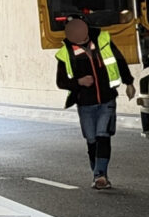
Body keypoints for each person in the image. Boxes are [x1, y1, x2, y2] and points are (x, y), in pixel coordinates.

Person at [55, 17, 135, 189]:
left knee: (103, 135)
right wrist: (79, 82)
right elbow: (61, 82)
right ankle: (98, 174)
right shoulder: (65, 53)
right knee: (92, 140)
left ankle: (100, 175)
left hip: (107, 99)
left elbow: (119, 60)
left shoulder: (103, 40)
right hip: (85, 104)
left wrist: (129, 82)